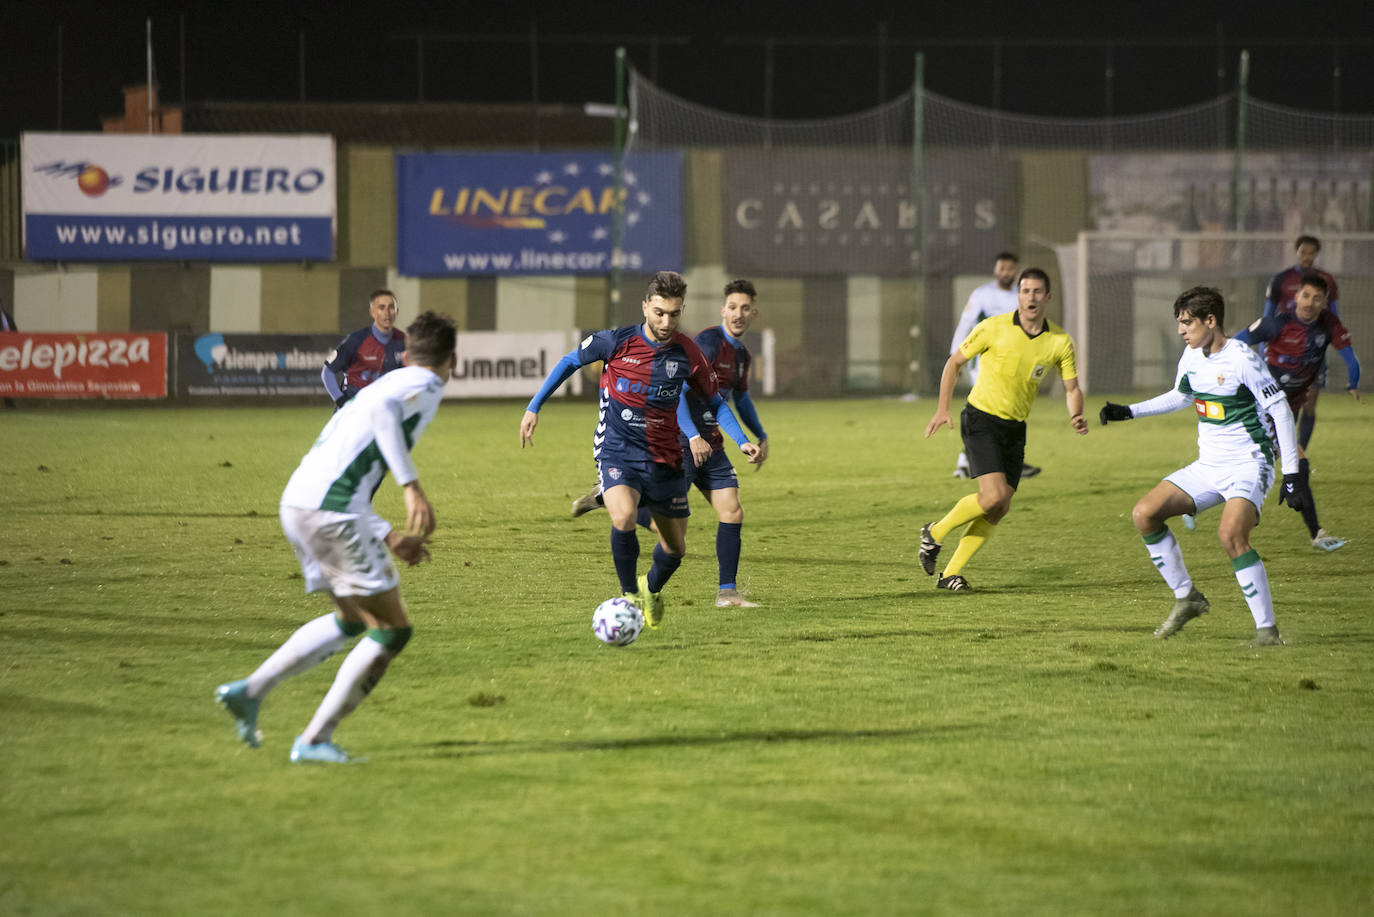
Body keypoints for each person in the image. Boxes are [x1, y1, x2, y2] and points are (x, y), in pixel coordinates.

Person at [216, 311, 457, 764]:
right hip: (331, 511)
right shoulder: (425, 385)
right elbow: (383, 423)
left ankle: (250, 692)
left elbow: (346, 462)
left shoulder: (379, 386)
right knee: (392, 631)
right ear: (454, 360)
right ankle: (314, 740)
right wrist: (411, 486)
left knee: (351, 620)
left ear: (404, 354)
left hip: (300, 503)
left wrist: (387, 536)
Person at [521, 271, 761, 629]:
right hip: (617, 448)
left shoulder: (688, 352)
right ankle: (628, 598)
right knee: (624, 518)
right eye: (659, 312)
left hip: (665, 457)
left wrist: (742, 439)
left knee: (676, 548)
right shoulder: (615, 342)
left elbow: (717, 401)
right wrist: (534, 406)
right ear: (645, 306)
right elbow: (569, 362)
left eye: (674, 314)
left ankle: (649, 589)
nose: (666, 322)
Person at [1099, 287, 1306, 647]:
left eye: (1187, 322)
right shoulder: (1192, 355)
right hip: (1208, 466)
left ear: (1211, 321)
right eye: (1179, 322)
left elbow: (1280, 411)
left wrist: (1292, 474)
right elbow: (1181, 395)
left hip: (1248, 464)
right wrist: (1129, 411)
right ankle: (1187, 597)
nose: (1181, 330)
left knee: (1231, 536)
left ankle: (1267, 631)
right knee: (1145, 514)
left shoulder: (1242, 358)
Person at [571, 279, 771, 607]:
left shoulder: (741, 356)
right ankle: (617, 503)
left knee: (732, 512)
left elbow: (736, 400)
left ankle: (727, 593)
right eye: (733, 307)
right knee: (673, 536)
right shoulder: (704, 344)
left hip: (713, 442)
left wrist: (749, 439)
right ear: (723, 310)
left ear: (754, 313)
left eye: (745, 308)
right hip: (681, 441)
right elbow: (675, 390)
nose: (739, 314)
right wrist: (691, 435)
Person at [920, 268, 1087, 591]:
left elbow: (1072, 388)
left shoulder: (1059, 342)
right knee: (992, 496)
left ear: (1048, 297)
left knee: (1000, 507)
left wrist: (1076, 414)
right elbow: (954, 363)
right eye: (1025, 291)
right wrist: (943, 408)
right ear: (1018, 296)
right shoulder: (993, 328)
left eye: (1038, 292)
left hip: (1015, 428)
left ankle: (950, 574)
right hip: (981, 419)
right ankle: (934, 533)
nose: (1031, 297)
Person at [1234, 272, 1360, 551]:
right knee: (1292, 465)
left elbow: (1350, 357)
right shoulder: (1277, 323)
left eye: (1317, 298)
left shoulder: (1328, 324)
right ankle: (1316, 534)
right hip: (1262, 406)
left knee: (1266, 466)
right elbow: (1236, 342)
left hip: (1288, 407)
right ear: (1296, 297)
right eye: (1306, 296)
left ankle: (1196, 504)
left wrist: (1353, 381)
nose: (1310, 303)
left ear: (1325, 302)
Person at [947, 252, 1043, 480]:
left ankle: (1007, 460)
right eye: (1002, 268)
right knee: (985, 412)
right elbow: (966, 324)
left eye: (1010, 269)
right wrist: (954, 358)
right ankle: (966, 460)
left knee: (1008, 411)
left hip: (1014, 365)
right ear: (995, 269)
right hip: (984, 363)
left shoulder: (1020, 296)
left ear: (1016, 269)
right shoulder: (982, 295)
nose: (1006, 272)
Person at [1263, 235, 1342, 450]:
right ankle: (1281, 450)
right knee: (1283, 406)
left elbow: (1333, 316)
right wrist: (1263, 348)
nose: (1307, 257)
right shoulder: (1281, 279)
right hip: (1282, 354)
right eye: (1302, 252)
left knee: (1309, 404)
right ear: (1296, 252)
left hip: (1313, 352)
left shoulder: (1327, 280)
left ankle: (1300, 455)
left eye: (1311, 253)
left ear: (1317, 254)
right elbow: (1268, 317)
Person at [321, 289, 407, 409]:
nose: (387, 313)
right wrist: (341, 402)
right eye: (381, 308)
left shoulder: (403, 342)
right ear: (372, 312)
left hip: (382, 411)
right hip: (353, 409)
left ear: (397, 311)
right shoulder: (356, 340)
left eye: (391, 307)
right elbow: (327, 372)